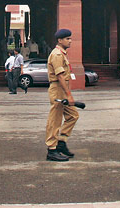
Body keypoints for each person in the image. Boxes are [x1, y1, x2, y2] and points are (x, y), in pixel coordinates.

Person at [45, 28, 78, 162]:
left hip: (63, 89)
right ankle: (51, 150)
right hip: (58, 89)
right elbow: (60, 76)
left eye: (70, 38)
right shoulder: (57, 54)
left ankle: (61, 142)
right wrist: (69, 95)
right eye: (67, 39)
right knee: (55, 119)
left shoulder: (63, 54)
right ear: (60, 40)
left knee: (73, 115)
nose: (70, 41)